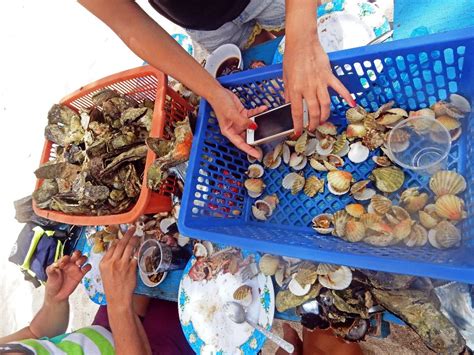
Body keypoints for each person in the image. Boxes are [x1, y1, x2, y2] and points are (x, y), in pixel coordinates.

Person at [78, 0, 356, 160]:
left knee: (298, 38)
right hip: (205, 24)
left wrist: (302, 38)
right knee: (257, 52)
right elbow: (130, 26)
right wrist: (215, 94)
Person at [0, 227, 193, 354]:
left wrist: (54, 301)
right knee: (198, 296)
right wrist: (119, 305)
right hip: (148, 347)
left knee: (155, 255)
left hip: (107, 327)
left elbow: (36, 332)